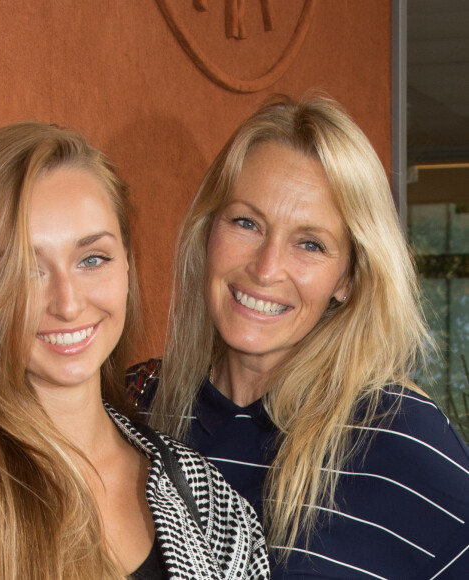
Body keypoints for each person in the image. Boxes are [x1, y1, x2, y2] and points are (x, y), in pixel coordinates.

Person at [0, 122, 270, 579]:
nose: (68, 304)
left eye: (92, 259)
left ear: (127, 264)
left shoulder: (206, 498)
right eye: (26, 269)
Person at [127, 96, 469, 579]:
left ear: (348, 277)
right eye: (246, 223)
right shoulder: (135, 408)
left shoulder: (401, 441)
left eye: (310, 244)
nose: (266, 269)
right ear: (208, 232)